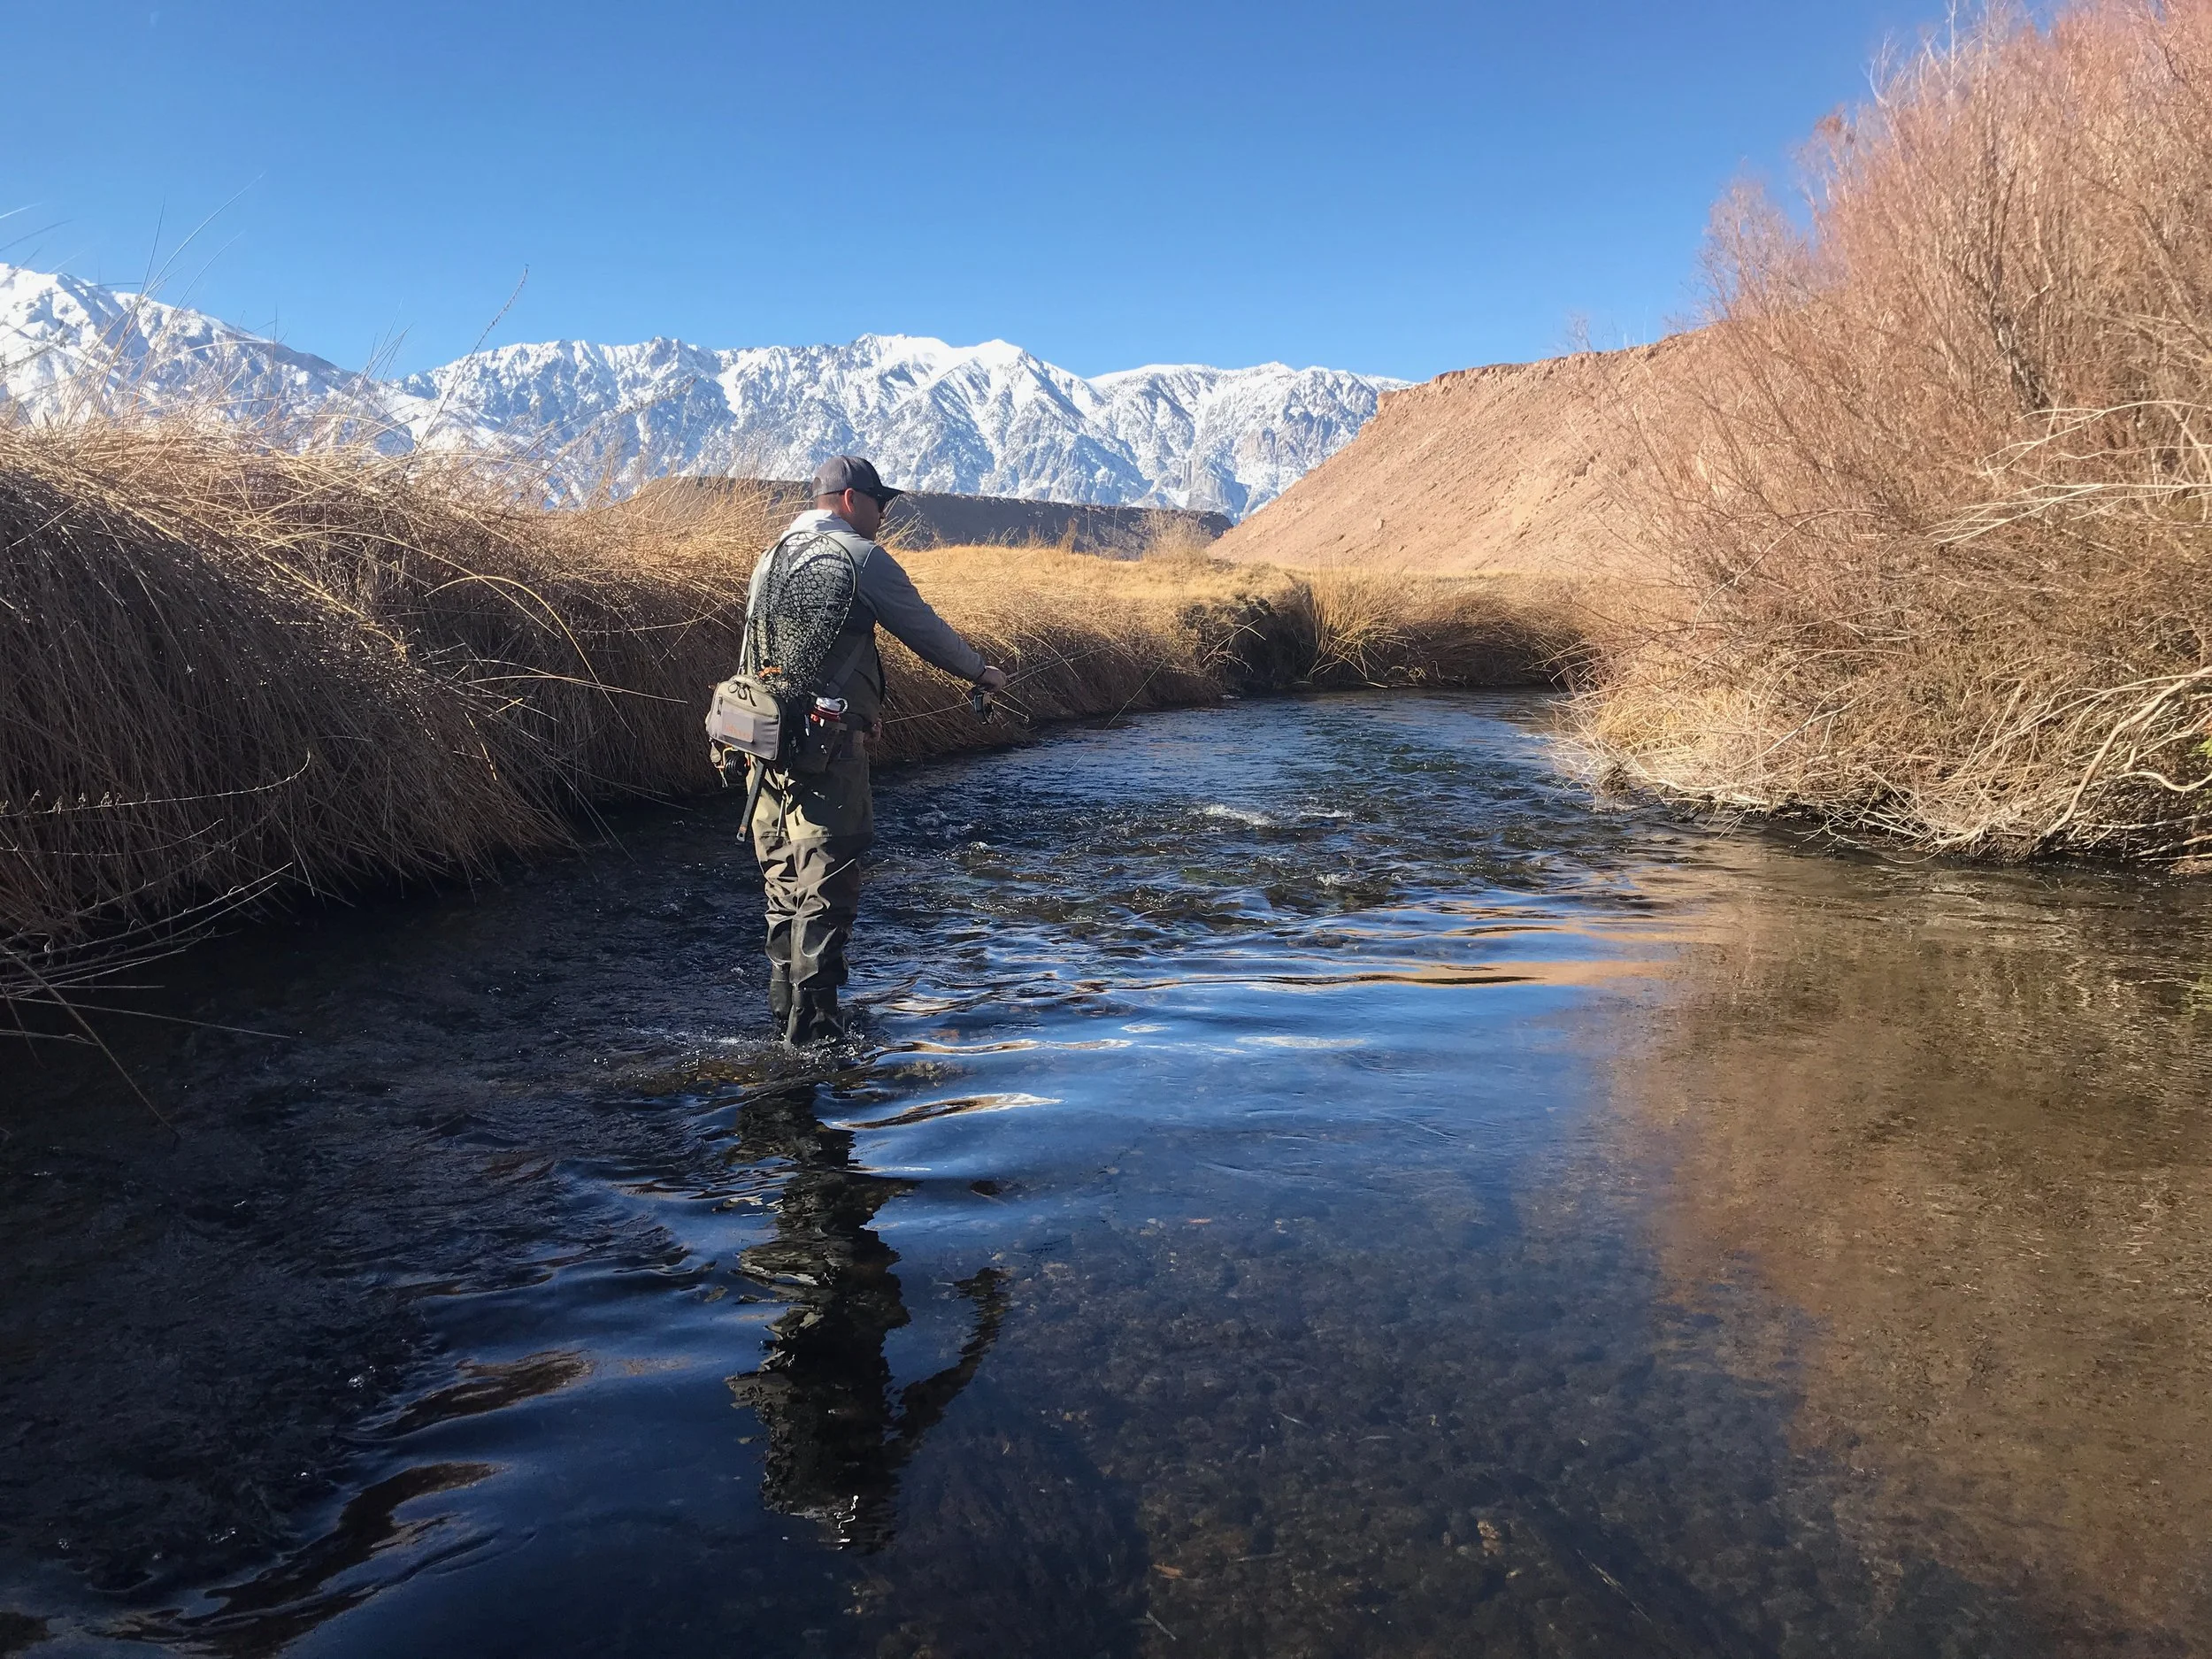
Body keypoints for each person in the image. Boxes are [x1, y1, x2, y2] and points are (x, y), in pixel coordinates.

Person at [744, 455, 1006, 1043]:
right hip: (826, 754)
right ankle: (815, 1034)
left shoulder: (772, 555)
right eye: (878, 501)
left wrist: (862, 712)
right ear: (848, 500)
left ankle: (783, 1019)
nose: (883, 513)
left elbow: (775, 657)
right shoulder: (862, 557)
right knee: (827, 886)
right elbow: (924, 628)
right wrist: (980, 672)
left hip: (763, 749)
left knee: (783, 886)